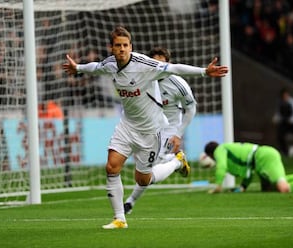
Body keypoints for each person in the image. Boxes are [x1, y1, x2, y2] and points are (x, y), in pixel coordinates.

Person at [63, 26, 229, 229]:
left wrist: (204, 72)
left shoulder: (144, 64)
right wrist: (78, 68)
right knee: (111, 167)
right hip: (127, 125)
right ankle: (119, 218)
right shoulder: (110, 64)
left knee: (143, 179)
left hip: (151, 130)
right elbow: (96, 67)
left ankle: (177, 162)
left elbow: (175, 68)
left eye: (125, 45)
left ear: (131, 46)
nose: (122, 49)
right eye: (118, 45)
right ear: (112, 48)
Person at [123, 47, 197, 214]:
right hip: (148, 126)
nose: (158, 67)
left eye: (162, 63)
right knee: (144, 168)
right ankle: (130, 202)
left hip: (169, 129)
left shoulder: (178, 84)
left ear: (168, 64)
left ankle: (177, 161)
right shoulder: (143, 79)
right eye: (154, 63)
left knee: (150, 169)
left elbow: (191, 109)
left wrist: (178, 134)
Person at [204, 141, 293, 194]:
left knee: (284, 189)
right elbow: (248, 173)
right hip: (260, 160)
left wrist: (218, 186)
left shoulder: (219, 150)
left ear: (211, 154)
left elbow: (221, 167)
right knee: (268, 189)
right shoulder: (227, 149)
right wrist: (242, 188)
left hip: (264, 158)